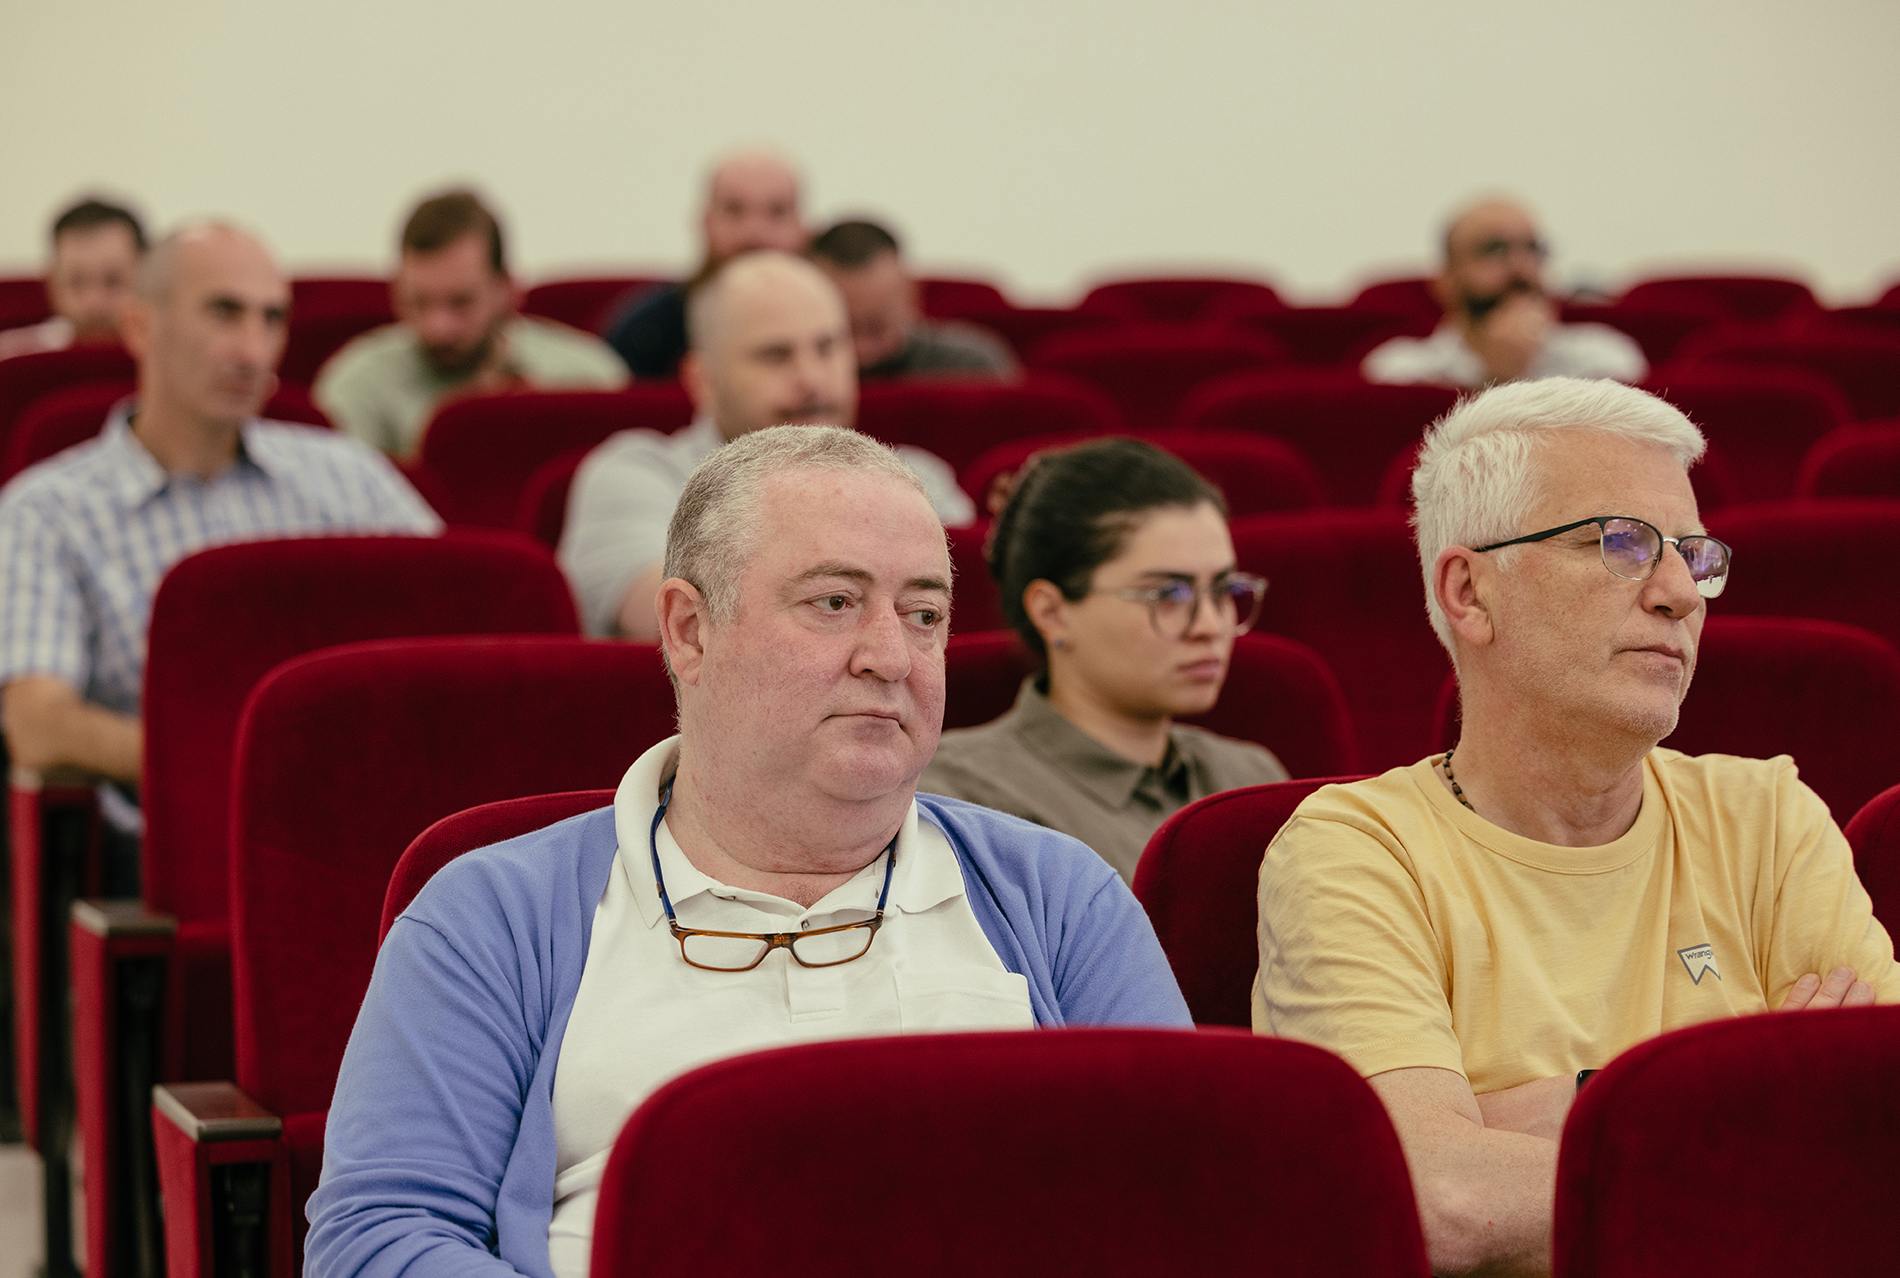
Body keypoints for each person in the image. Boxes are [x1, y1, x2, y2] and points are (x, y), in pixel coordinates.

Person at [306, 424, 1191, 1277]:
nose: (891, 656)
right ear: (690, 630)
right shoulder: (493, 917)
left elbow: (1189, 1201)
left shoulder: (1060, 898)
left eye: (924, 614)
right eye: (834, 603)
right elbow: (377, 1240)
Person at [1253, 376, 1897, 1277]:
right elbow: (1440, 1199)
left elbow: (1880, 1147)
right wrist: (1766, 1135)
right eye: (1622, 542)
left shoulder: (1769, 814)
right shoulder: (1355, 850)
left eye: (1693, 554)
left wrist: (1545, 1112)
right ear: (1470, 593)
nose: (1681, 593)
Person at [0, 223, 439, 830]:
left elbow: (466, 623)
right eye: (225, 314)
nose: (254, 351)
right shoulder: (49, 511)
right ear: (140, 327)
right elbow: (39, 726)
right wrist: (233, 766)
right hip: (164, 845)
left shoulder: (347, 476)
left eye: (272, 319)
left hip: (369, 820)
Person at [560, 250, 975, 640]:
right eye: (775, 355)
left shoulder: (919, 479)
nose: (813, 378)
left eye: (827, 347)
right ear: (702, 379)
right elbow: (685, 621)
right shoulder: (635, 476)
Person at [922, 438, 1285, 881]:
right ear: (1052, 613)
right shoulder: (963, 800)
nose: (1210, 625)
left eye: (1223, 590)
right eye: (1168, 594)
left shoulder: (1251, 776)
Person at [313, 190, 627, 458]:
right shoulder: (357, 385)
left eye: (460, 302)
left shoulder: (586, 377)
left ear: (507, 289)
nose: (438, 327)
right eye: (418, 302)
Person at [1362, 199, 1646, 388]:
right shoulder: (1400, 372)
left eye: (1532, 248)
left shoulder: (1603, 360)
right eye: (1493, 249)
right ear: (1445, 281)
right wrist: (1499, 376)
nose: (1519, 265)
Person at [600, 149, 807, 379]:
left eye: (777, 212)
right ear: (705, 222)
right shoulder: (645, 332)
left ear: (803, 229)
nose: (754, 232)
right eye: (734, 210)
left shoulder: (837, 330)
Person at [807, 218, 1016, 381]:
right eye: (843, 331)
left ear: (912, 298)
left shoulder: (970, 367)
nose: (861, 350)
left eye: (876, 328)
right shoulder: (799, 380)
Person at [0, 198, 146, 360]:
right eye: (76, 282)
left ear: (148, 279)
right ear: (52, 283)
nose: (94, 303)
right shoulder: (11, 357)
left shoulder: (167, 358)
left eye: (113, 281)